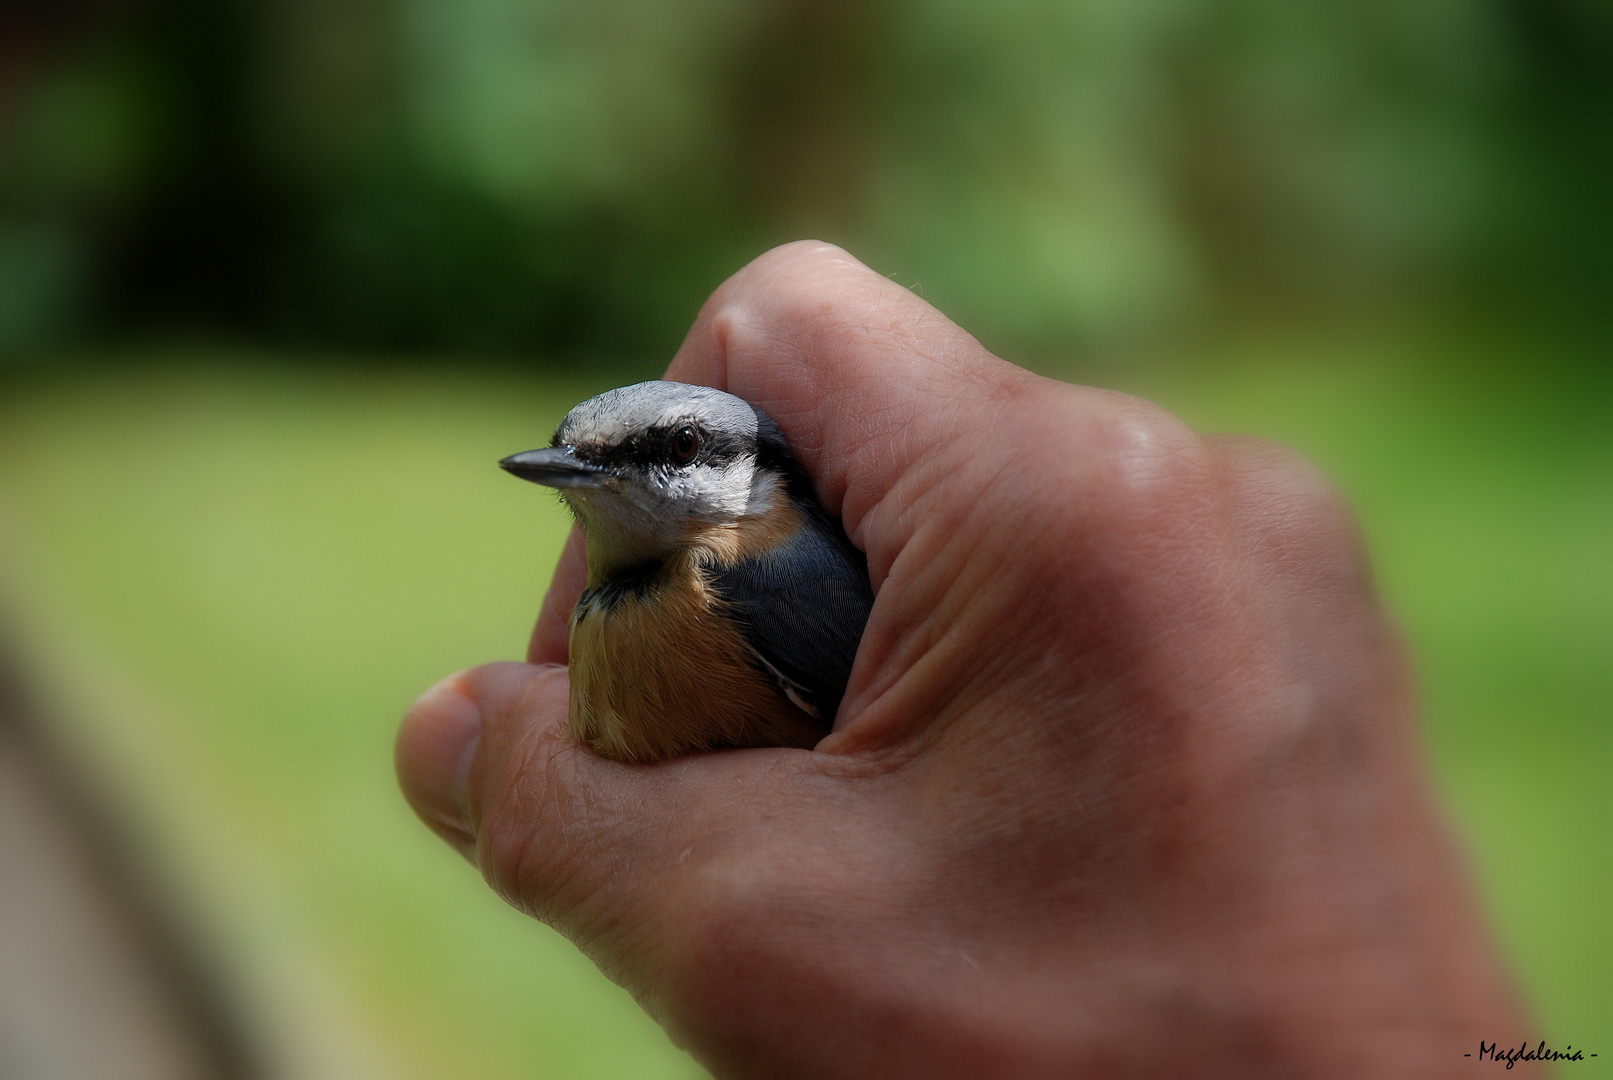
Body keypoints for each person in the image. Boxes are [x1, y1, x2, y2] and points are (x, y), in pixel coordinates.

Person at [395, 241, 1534, 1077]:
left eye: (676, 450)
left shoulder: (743, 586)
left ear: (756, 475)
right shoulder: (629, 603)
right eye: (578, 460)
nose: (602, 477)